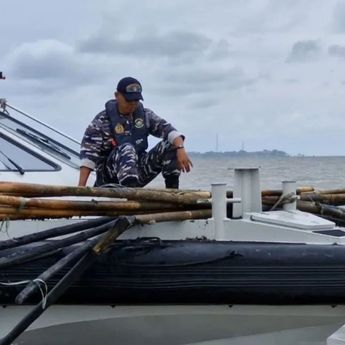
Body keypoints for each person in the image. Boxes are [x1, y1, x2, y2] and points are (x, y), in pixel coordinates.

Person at [78, 76, 192, 189]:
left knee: (171, 144)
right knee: (127, 147)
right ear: (117, 96)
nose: (132, 104)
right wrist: (80, 189)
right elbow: (88, 158)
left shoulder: (145, 115)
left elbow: (170, 131)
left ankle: (172, 192)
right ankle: (130, 196)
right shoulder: (101, 121)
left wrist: (180, 148)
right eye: (128, 100)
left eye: (136, 100)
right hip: (109, 177)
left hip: (138, 172)